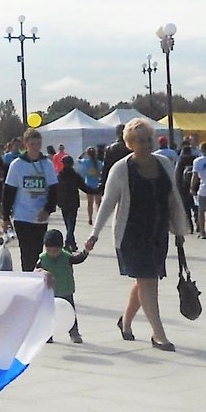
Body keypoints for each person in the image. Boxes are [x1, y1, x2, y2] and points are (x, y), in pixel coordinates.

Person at [85, 117, 189, 351]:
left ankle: (125, 321)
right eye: (139, 140)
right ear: (129, 143)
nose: (145, 144)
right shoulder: (121, 169)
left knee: (146, 280)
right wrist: (94, 233)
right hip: (131, 234)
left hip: (158, 233)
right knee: (148, 281)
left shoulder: (164, 163)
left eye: (148, 139)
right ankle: (158, 334)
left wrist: (179, 229)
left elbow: (173, 197)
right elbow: (108, 202)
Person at [1, 129, 57, 273]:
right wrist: (5, 217)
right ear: (26, 145)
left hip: (40, 217)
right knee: (26, 253)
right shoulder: (17, 165)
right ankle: (27, 278)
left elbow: (54, 190)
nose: (36, 147)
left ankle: (35, 278)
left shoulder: (47, 164)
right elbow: (8, 192)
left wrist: (47, 210)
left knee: (38, 252)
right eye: (32, 144)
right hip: (22, 216)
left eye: (38, 144)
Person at [36, 228, 88, 344]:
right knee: (48, 314)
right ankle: (48, 334)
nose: (52, 253)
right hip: (49, 291)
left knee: (70, 312)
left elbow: (78, 259)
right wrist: (40, 271)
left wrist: (86, 251)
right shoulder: (42, 258)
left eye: (55, 250)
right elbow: (35, 270)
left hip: (66, 290)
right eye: (49, 250)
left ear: (61, 248)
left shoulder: (66, 257)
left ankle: (74, 333)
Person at [53, 153, 85, 245]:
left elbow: (55, 189)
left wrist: (55, 201)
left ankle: (70, 242)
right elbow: (83, 186)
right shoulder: (75, 175)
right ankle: (70, 242)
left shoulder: (59, 176)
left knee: (68, 223)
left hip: (63, 202)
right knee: (71, 223)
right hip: (73, 201)